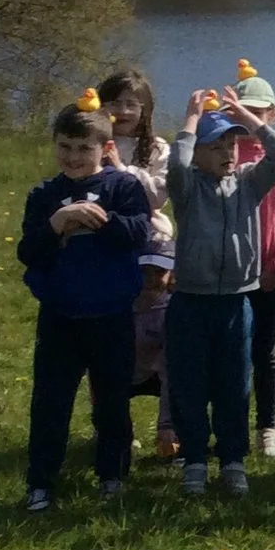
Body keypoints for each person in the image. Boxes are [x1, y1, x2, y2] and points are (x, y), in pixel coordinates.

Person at [18, 88, 154, 511]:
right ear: (54, 145)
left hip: (112, 313)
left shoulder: (124, 187)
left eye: (84, 148)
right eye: (65, 147)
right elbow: (28, 253)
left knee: (113, 400)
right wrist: (56, 225)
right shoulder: (44, 195)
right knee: (50, 402)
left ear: (106, 148)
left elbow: (138, 233)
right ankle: (41, 481)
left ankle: (112, 475)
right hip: (60, 315)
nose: (74, 157)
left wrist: (104, 222)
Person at [166, 87, 275, 497]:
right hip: (190, 301)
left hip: (237, 301)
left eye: (233, 144)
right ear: (198, 154)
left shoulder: (248, 183)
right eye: (217, 146)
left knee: (234, 383)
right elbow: (175, 162)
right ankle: (196, 461)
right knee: (190, 383)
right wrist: (190, 120)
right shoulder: (187, 190)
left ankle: (233, 460)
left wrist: (248, 117)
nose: (229, 153)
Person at [98, 69, 178, 462]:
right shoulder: (92, 141)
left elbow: (157, 196)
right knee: (111, 338)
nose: (123, 110)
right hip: (106, 243)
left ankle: (169, 426)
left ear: (145, 109)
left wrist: (120, 167)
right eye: (114, 102)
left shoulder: (157, 148)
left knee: (160, 335)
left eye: (132, 103)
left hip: (152, 245)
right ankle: (114, 429)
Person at [228, 61, 275, 464]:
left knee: (265, 353)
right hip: (230, 272)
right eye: (244, 112)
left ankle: (267, 428)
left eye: (258, 113)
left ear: (272, 113)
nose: (250, 120)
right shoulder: (222, 151)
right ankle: (231, 427)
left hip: (270, 271)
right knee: (231, 351)